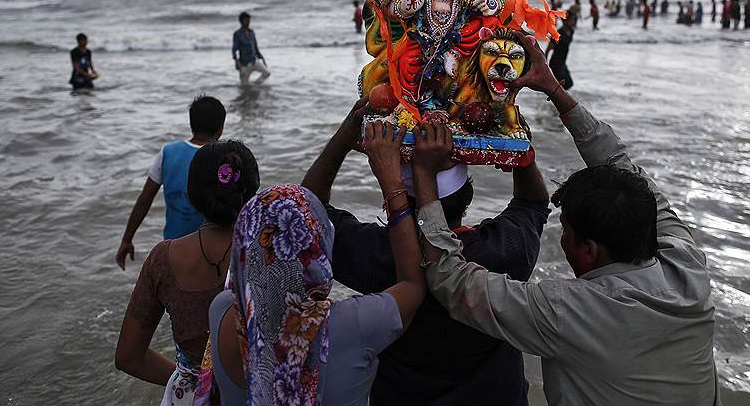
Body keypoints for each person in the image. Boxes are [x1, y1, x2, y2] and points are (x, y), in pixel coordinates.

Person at [412, 39, 718, 406]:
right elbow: (620, 163)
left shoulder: (568, 312)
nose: (561, 237)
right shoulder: (687, 266)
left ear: (589, 250)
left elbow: (451, 281)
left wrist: (423, 175)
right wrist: (554, 90)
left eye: (566, 230)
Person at [300, 98, 551, 405]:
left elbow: (305, 213)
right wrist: (513, 133)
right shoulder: (501, 253)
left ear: (391, 199)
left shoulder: (376, 256)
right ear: (468, 195)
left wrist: (343, 138)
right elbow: (533, 203)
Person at [202, 122, 428, 405]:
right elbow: (413, 283)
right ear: (317, 251)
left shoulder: (224, 310)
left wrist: (341, 142)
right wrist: (392, 182)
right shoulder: (352, 326)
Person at [115, 140, 260, 405]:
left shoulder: (163, 259)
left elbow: (128, 358)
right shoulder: (273, 254)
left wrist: (193, 376)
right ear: (252, 192)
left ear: (192, 193)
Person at [115, 95, 227, 270]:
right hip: (210, 254)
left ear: (191, 124)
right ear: (220, 128)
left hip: (172, 248)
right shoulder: (223, 159)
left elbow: (144, 199)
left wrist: (126, 239)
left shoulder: (168, 152)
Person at [232, 12, 270, 86]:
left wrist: (262, 58)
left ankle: (255, 85)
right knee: (244, 86)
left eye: (249, 20)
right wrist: (236, 62)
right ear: (241, 21)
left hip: (254, 61)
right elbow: (234, 49)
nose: (248, 22)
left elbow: (255, 47)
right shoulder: (237, 34)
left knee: (267, 73)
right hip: (244, 64)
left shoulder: (251, 32)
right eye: (246, 20)